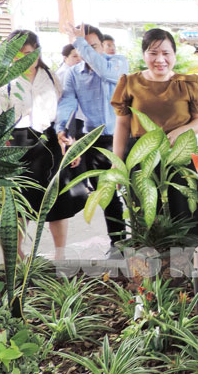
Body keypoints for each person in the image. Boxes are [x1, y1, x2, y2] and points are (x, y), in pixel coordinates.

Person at [110, 28, 198, 242]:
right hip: (142, 159)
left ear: (174, 55)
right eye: (153, 53)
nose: (160, 59)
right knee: (148, 224)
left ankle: (186, 272)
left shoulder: (187, 84)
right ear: (144, 55)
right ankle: (153, 273)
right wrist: (117, 163)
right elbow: (122, 124)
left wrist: (180, 131)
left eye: (166, 53)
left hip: (179, 158)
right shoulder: (129, 83)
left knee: (186, 223)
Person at [0, 30, 79, 259]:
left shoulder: (49, 75)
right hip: (15, 141)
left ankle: (60, 255)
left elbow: (62, 106)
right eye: (18, 55)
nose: (24, 60)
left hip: (47, 139)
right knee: (18, 204)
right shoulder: (3, 78)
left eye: (29, 53)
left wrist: (66, 138)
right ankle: (18, 257)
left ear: (37, 51)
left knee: (57, 202)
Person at [56, 24, 129, 248]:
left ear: (102, 46)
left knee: (134, 193)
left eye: (93, 45)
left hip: (123, 138)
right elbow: (68, 101)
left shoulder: (117, 63)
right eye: (82, 46)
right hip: (95, 142)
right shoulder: (73, 74)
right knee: (106, 196)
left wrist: (80, 42)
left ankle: (146, 242)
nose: (87, 50)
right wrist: (61, 129)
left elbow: (105, 73)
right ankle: (118, 244)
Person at [55, 43, 85, 139]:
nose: (78, 59)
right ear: (65, 58)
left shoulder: (74, 72)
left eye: (80, 56)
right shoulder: (64, 73)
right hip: (70, 118)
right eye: (74, 56)